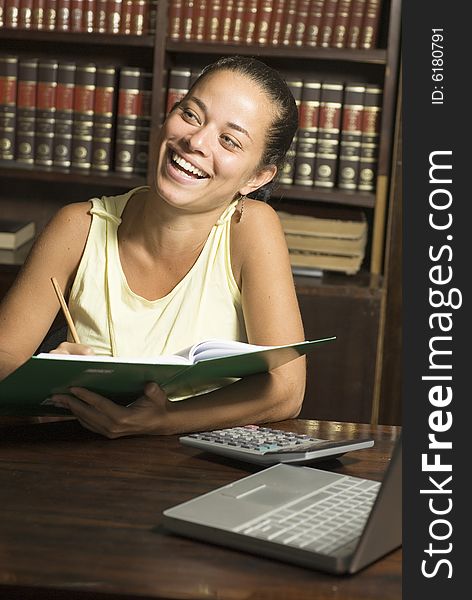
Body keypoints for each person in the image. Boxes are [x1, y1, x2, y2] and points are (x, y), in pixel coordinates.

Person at [0, 56, 306, 437]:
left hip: (201, 464)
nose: (195, 142)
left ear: (257, 176)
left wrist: (160, 421)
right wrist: (42, 372)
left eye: (229, 140)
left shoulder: (251, 226)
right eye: (191, 115)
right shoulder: (77, 226)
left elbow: (287, 390)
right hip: (81, 460)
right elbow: (4, 358)